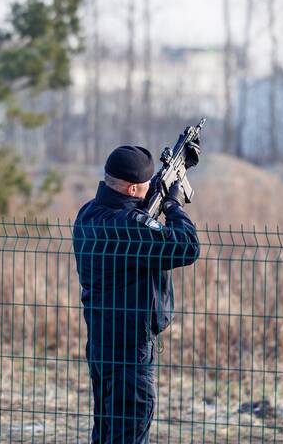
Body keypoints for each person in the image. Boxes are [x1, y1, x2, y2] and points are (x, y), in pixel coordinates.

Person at [72, 141, 202, 444]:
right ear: (132, 190)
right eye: (143, 186)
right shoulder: (130, 227)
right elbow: (187, 246)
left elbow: (135, 217)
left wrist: (163, 183)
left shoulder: (88, 214)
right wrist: (172, 204)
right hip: (131, 355)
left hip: (102, 347)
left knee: (105, 435)